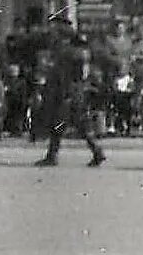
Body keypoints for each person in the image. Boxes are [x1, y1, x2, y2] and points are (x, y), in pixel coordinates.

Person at [35, 20, 106, 167]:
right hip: (75, 92)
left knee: (60, 124)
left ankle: (53, 156)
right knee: (78, 124)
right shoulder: (78, 51)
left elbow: (63, 75)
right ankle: (96, 151)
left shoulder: (64, 52)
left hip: (66, 93)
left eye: (55, 33)